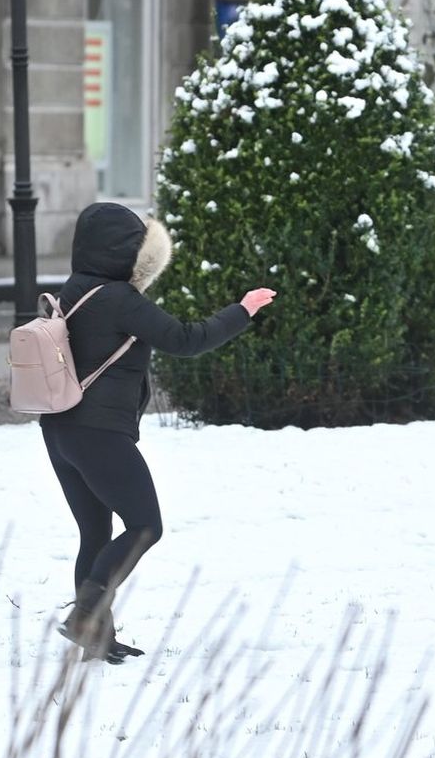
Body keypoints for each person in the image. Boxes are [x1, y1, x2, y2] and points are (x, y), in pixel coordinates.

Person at [44, 201, 275, 663]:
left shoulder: (73, 289)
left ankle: (96, 636)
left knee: (95, 531)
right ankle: (85, 616)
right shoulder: (119, 299)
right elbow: (187, 340)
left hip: (60, 430)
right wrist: (243, 310)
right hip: (100, 433)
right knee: (145, 525)